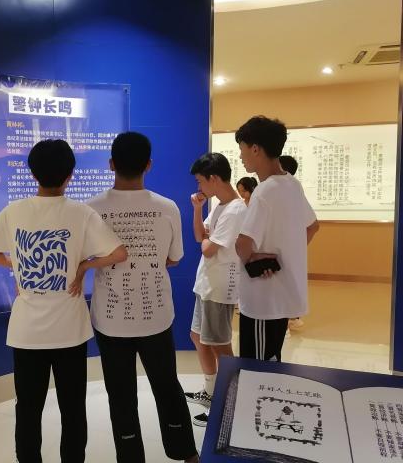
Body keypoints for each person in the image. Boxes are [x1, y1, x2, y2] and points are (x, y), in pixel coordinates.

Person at [0, 139, 128, 463]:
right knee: (73, 408)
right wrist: (83, 266)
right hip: (70, 331)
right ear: (70, 174)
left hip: (26, 333)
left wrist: (14, 263)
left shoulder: (15, 211)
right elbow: (118, 253)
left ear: (32, 173)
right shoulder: (81, 213)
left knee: (28, 409)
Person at [83, 132, 200, 463]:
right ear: (148, 165)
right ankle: (187, 454)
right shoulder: (167, 207)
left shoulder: (90, 209)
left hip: (110, 320)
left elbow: (86, 258)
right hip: (156, 317)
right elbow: (174, 258)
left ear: (111, 164)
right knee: (167, 387)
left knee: (120, 395)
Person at [234, 116, 319, 362]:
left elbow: (242, 245)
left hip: (263, 300)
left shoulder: (264, 191)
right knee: (271, 360)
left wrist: (254, 258)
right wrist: (287, 255)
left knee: (257, 368)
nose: (240, 156)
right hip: (281, 295)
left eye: (242, 149)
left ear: (255, 149)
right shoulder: (292, 184)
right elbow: (313, 226)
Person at [184, 153, 247, 428]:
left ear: (213, 178)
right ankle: (210, 392)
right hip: (207, 283)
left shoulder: (235, 210)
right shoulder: (221, 206)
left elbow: (207, 249)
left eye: (200, 181)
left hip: (219, 286)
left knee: (220, 346)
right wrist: (197, 210)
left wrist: (207, 239)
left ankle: (228, 403)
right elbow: (200, 236)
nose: (199, 187)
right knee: (198, 336)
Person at [278, 154, 305, 332]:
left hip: (284, 247)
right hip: (289, 247)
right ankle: (292, 318)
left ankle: (289, 319)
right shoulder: (294, 189)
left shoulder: (287, 189)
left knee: (285, 284)